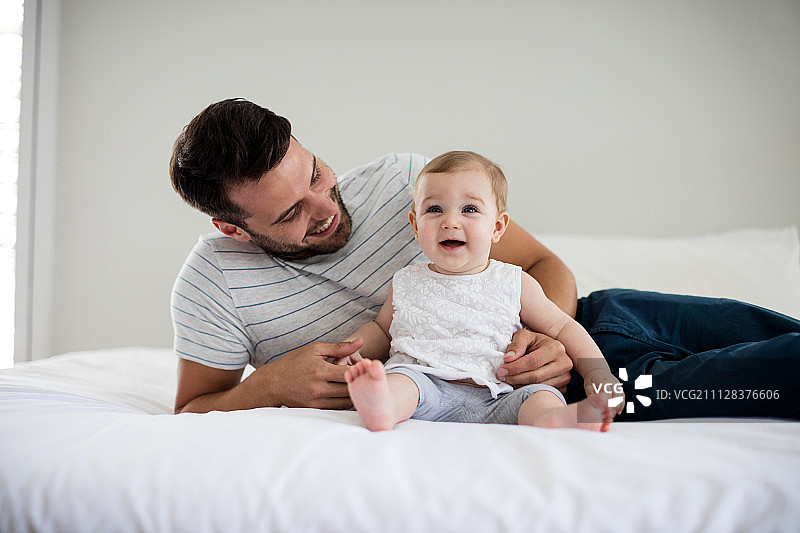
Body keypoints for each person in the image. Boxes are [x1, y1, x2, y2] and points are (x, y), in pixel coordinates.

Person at [169, 98, 800, 421]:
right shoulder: (212, 285)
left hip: (591, 330)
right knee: (767, 376)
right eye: (290, 215)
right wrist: (271, 385)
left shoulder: (410, 184)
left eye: (316, 173)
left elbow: (545, 265)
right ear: (234, 227)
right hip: (538, 397)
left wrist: (547, 333)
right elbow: (192, 411)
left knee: (761, 334)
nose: (324, 206)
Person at [342, 151, 619, 431]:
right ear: (415, 225)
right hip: (425, 384)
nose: (450, 221)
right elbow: (380, 329)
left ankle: (557, 418)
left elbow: (562, 327)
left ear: (497, 227)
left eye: (469, 209)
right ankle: (382, 406)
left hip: (498, 393)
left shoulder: (513, 281)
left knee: (540, 396)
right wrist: (348, 352)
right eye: (434, 209)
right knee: (400, 380)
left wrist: (597, 372)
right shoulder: (405, 281)